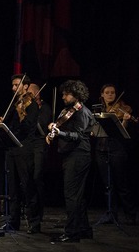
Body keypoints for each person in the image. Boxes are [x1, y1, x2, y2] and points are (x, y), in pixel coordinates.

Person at [0, 74, 42, 233]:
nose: (13, 88)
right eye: (12, 85)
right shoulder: (15, 103)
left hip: (24, 148)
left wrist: (21, 113)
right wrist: (1, 120)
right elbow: (10, 125)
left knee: (27, 186)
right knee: (12, 188)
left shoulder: (32, 105)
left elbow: (28, 126)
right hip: (11, 148)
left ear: (25, 86)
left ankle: (34, 222)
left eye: (16, 85)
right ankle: (13, 222)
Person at [48, 80, 95, 243]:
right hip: (74, 155)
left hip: (78, 155)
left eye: (66, 94)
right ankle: (83, 229)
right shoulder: (70, 111)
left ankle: (72, 233)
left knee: (71, 195)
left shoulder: (81, 112)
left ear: (76, 94)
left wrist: (59, 132)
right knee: (78, 196)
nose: (63, 97)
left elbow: (78, 136)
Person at [92, 83, 137, 225]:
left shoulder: (123, 109)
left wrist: (125, 120)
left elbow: (122, 132)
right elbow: (95, 129)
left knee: (121, 184)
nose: (111, 95)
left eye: (113, 92)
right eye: (108, 92)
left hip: (117, 149)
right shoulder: (98, 109)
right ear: (102, 95)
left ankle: (130, 214)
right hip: (101, 149)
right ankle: (111, 214)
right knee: (107, 185)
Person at [29, 83, 53, 222]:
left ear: (38, 94)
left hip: (39, 144)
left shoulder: (44, 107)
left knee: (37, 178)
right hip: (28, 145)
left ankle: (38, 213)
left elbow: (43, 125)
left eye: (31, 93)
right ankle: (30, 212)